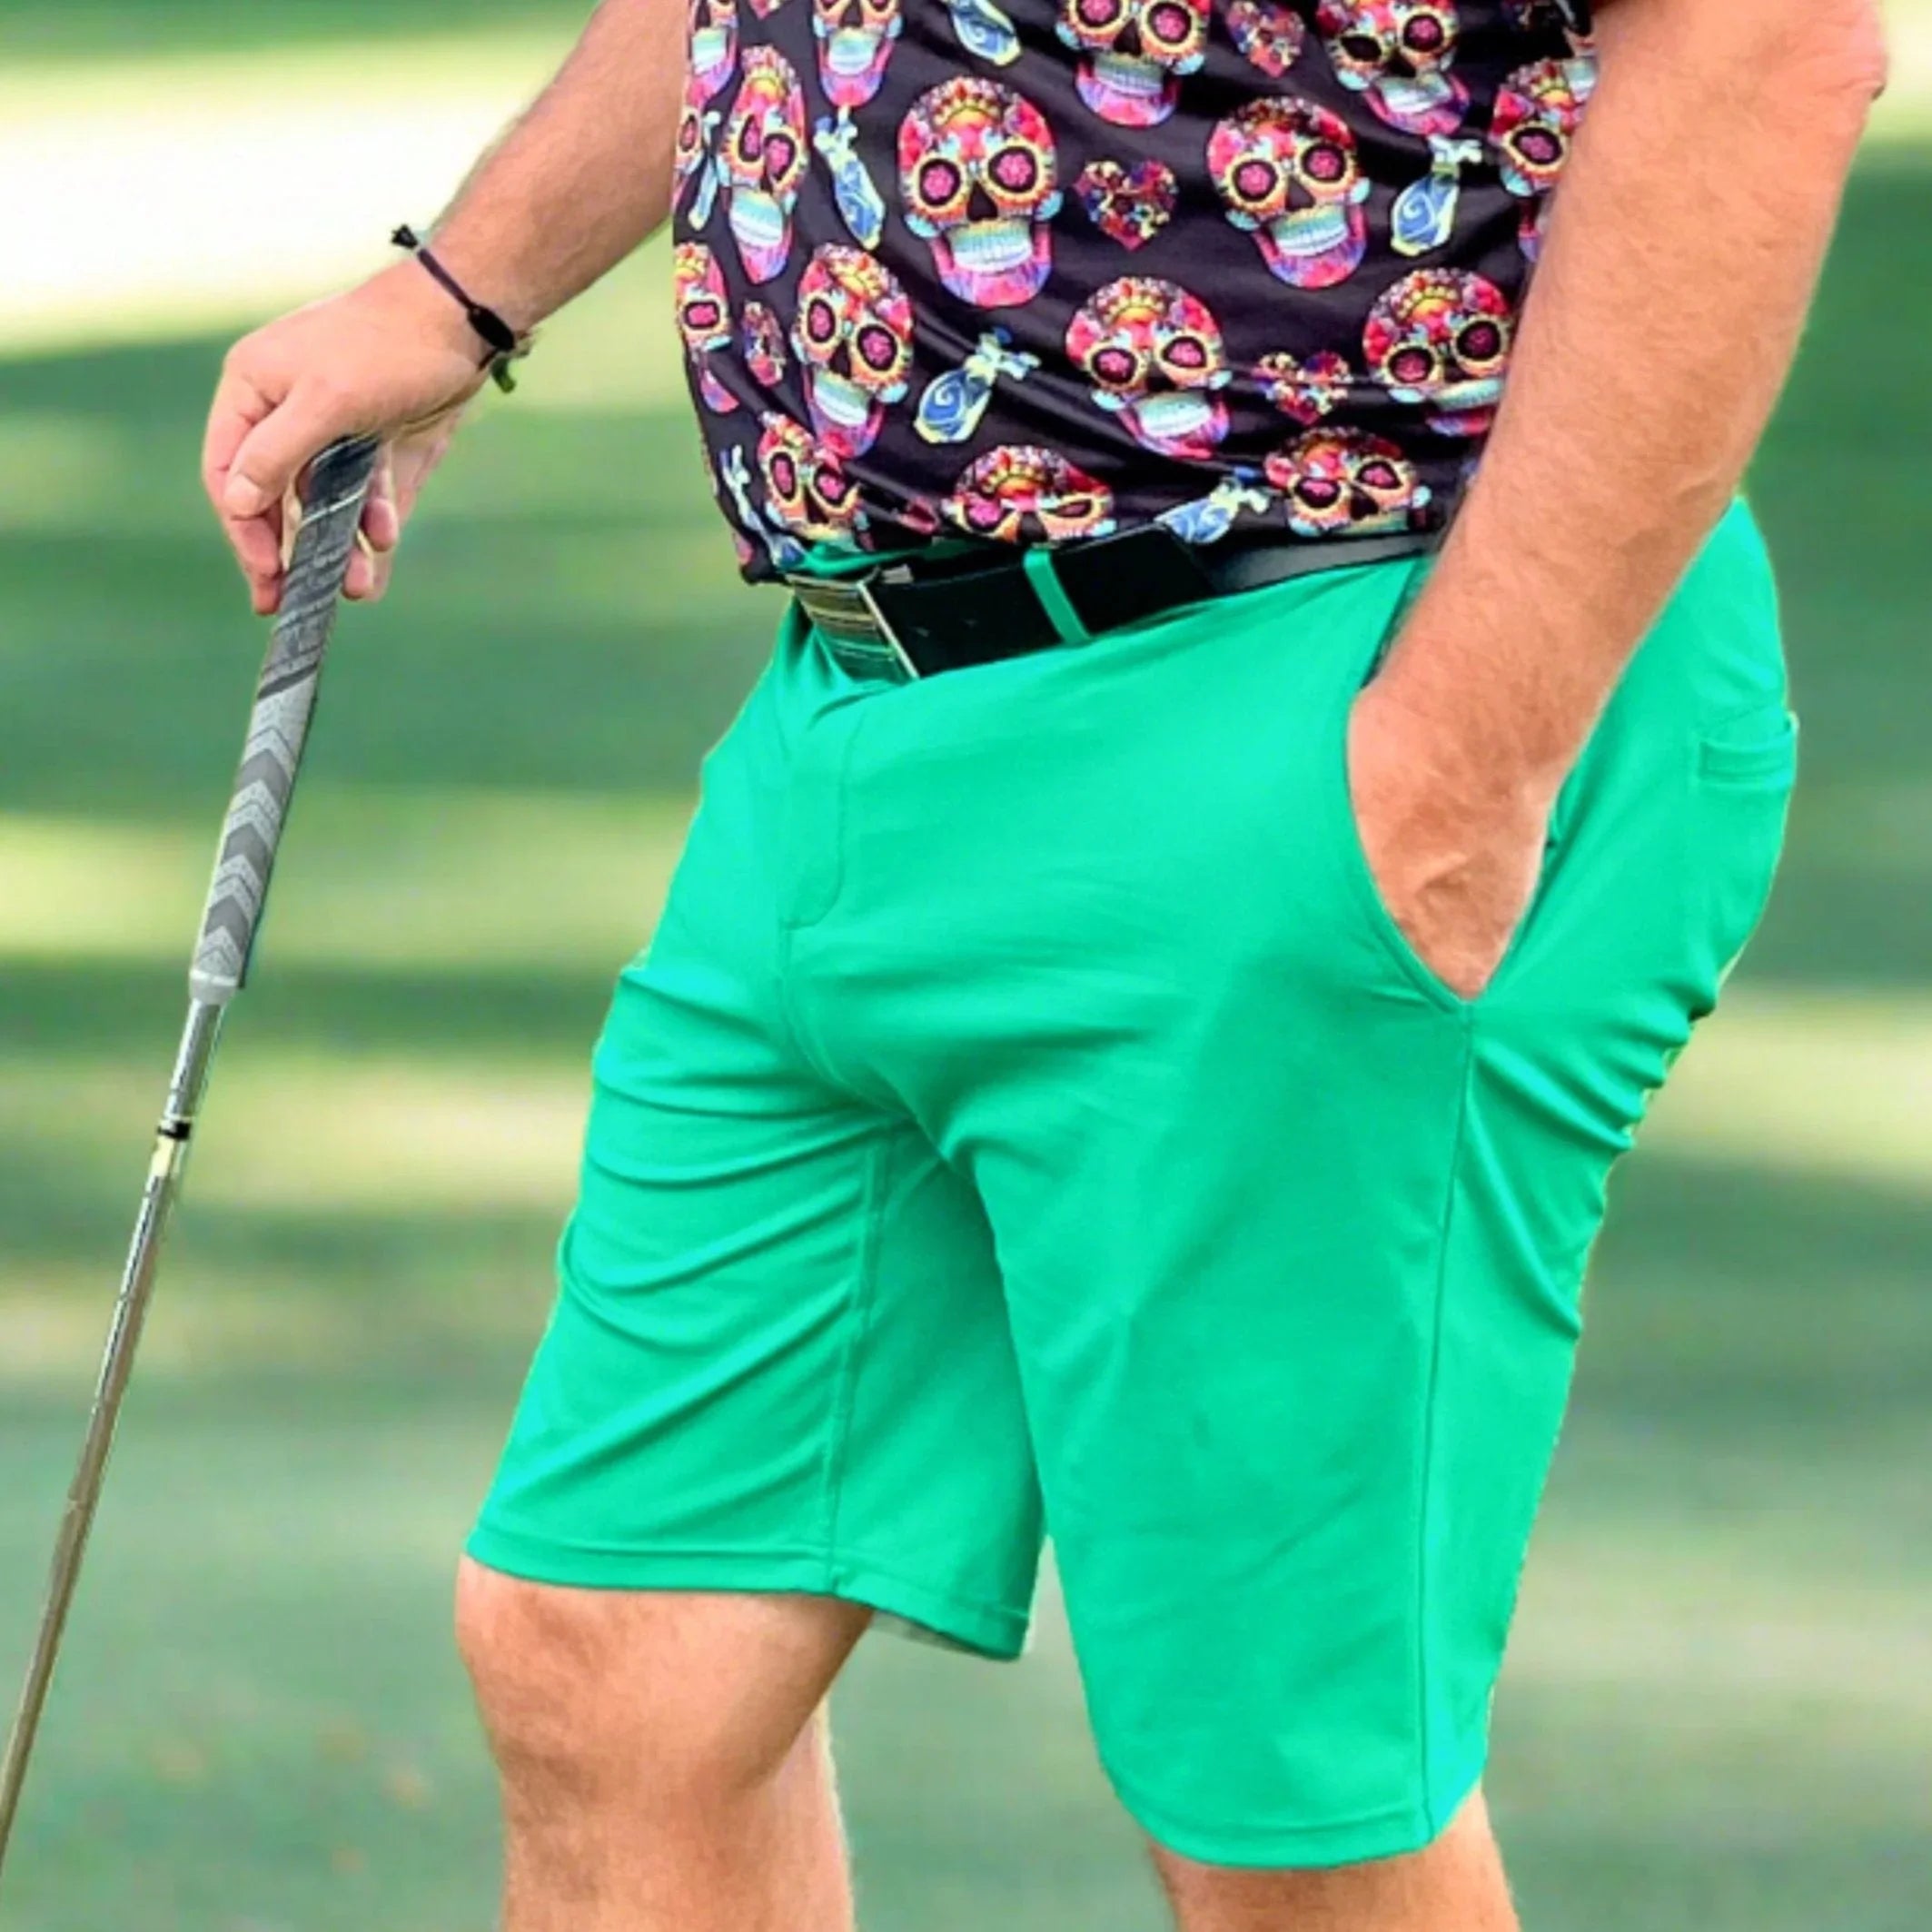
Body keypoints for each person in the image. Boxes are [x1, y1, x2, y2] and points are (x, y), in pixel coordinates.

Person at [202, 0, 1883, 1924]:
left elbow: (1764, 41)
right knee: (614, 1649)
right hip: (860, 706)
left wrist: (1462, 764)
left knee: (1286, 1807)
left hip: (1329, 663)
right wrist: (457, 293)